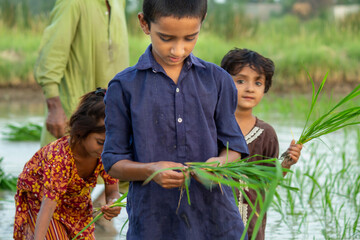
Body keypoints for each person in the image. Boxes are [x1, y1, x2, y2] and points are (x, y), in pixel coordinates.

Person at [102, 0, 250, 239]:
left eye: (190, 38)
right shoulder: (124, 86)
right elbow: (114, 163)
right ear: (144, 23)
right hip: (154, 222)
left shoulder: (218, 80)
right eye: (167, 38)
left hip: (215, 220)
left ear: (201, 25)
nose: (178, 50)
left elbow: (235, 149)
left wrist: (218, 165)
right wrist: (151, 170)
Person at [13, 89, 121, 240]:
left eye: (111, 142)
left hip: (75, 204)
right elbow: (48, 206)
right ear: (81, 131)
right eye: (100, 142)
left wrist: (113, 203)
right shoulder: (60, 157)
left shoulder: (105, 153)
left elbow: (113, 191)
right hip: (40, 200)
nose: (106, 149)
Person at [221, 48, 303, 240]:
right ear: (223, 83)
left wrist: (286, 164)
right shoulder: (212, 128)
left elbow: (268, 180)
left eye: (258, 82)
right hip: (214, 223)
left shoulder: (266, 134)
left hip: (251, 225)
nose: (250, 88)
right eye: (240, 81)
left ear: (264, 88)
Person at [34, 0, 129, 147]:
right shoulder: (72, 3)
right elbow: (51, 56)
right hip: (73, 118)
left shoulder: (118, 3)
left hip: (109, 119)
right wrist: (54, 108)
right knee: (62, 165)